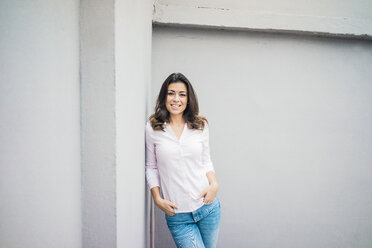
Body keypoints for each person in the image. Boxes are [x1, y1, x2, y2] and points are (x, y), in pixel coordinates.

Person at [145, 72, 221, 248]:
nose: (176, 99)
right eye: (171, 93)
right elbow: (151, 167)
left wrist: (214, 185)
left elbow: (206, 161)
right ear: (164, 96)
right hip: (179, 217)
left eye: (182, 94)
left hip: (208, 207)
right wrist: (157, 198)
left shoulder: (200, 126)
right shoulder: (153, 128)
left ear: (188, 99)